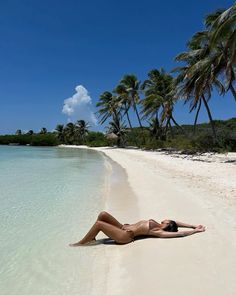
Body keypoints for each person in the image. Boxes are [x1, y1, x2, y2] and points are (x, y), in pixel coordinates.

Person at [69, 211, 206, 246]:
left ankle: (82, 243)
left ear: (168, 224)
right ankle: (92, 237)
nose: (167, 217)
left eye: (169, 219)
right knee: (103, 214)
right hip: (122, 227)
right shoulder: (159, 224)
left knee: (99, 224)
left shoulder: (158, 231)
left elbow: (178, 234)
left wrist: (194, 231)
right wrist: (193, 224)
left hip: (125, 236)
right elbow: (176, 222)